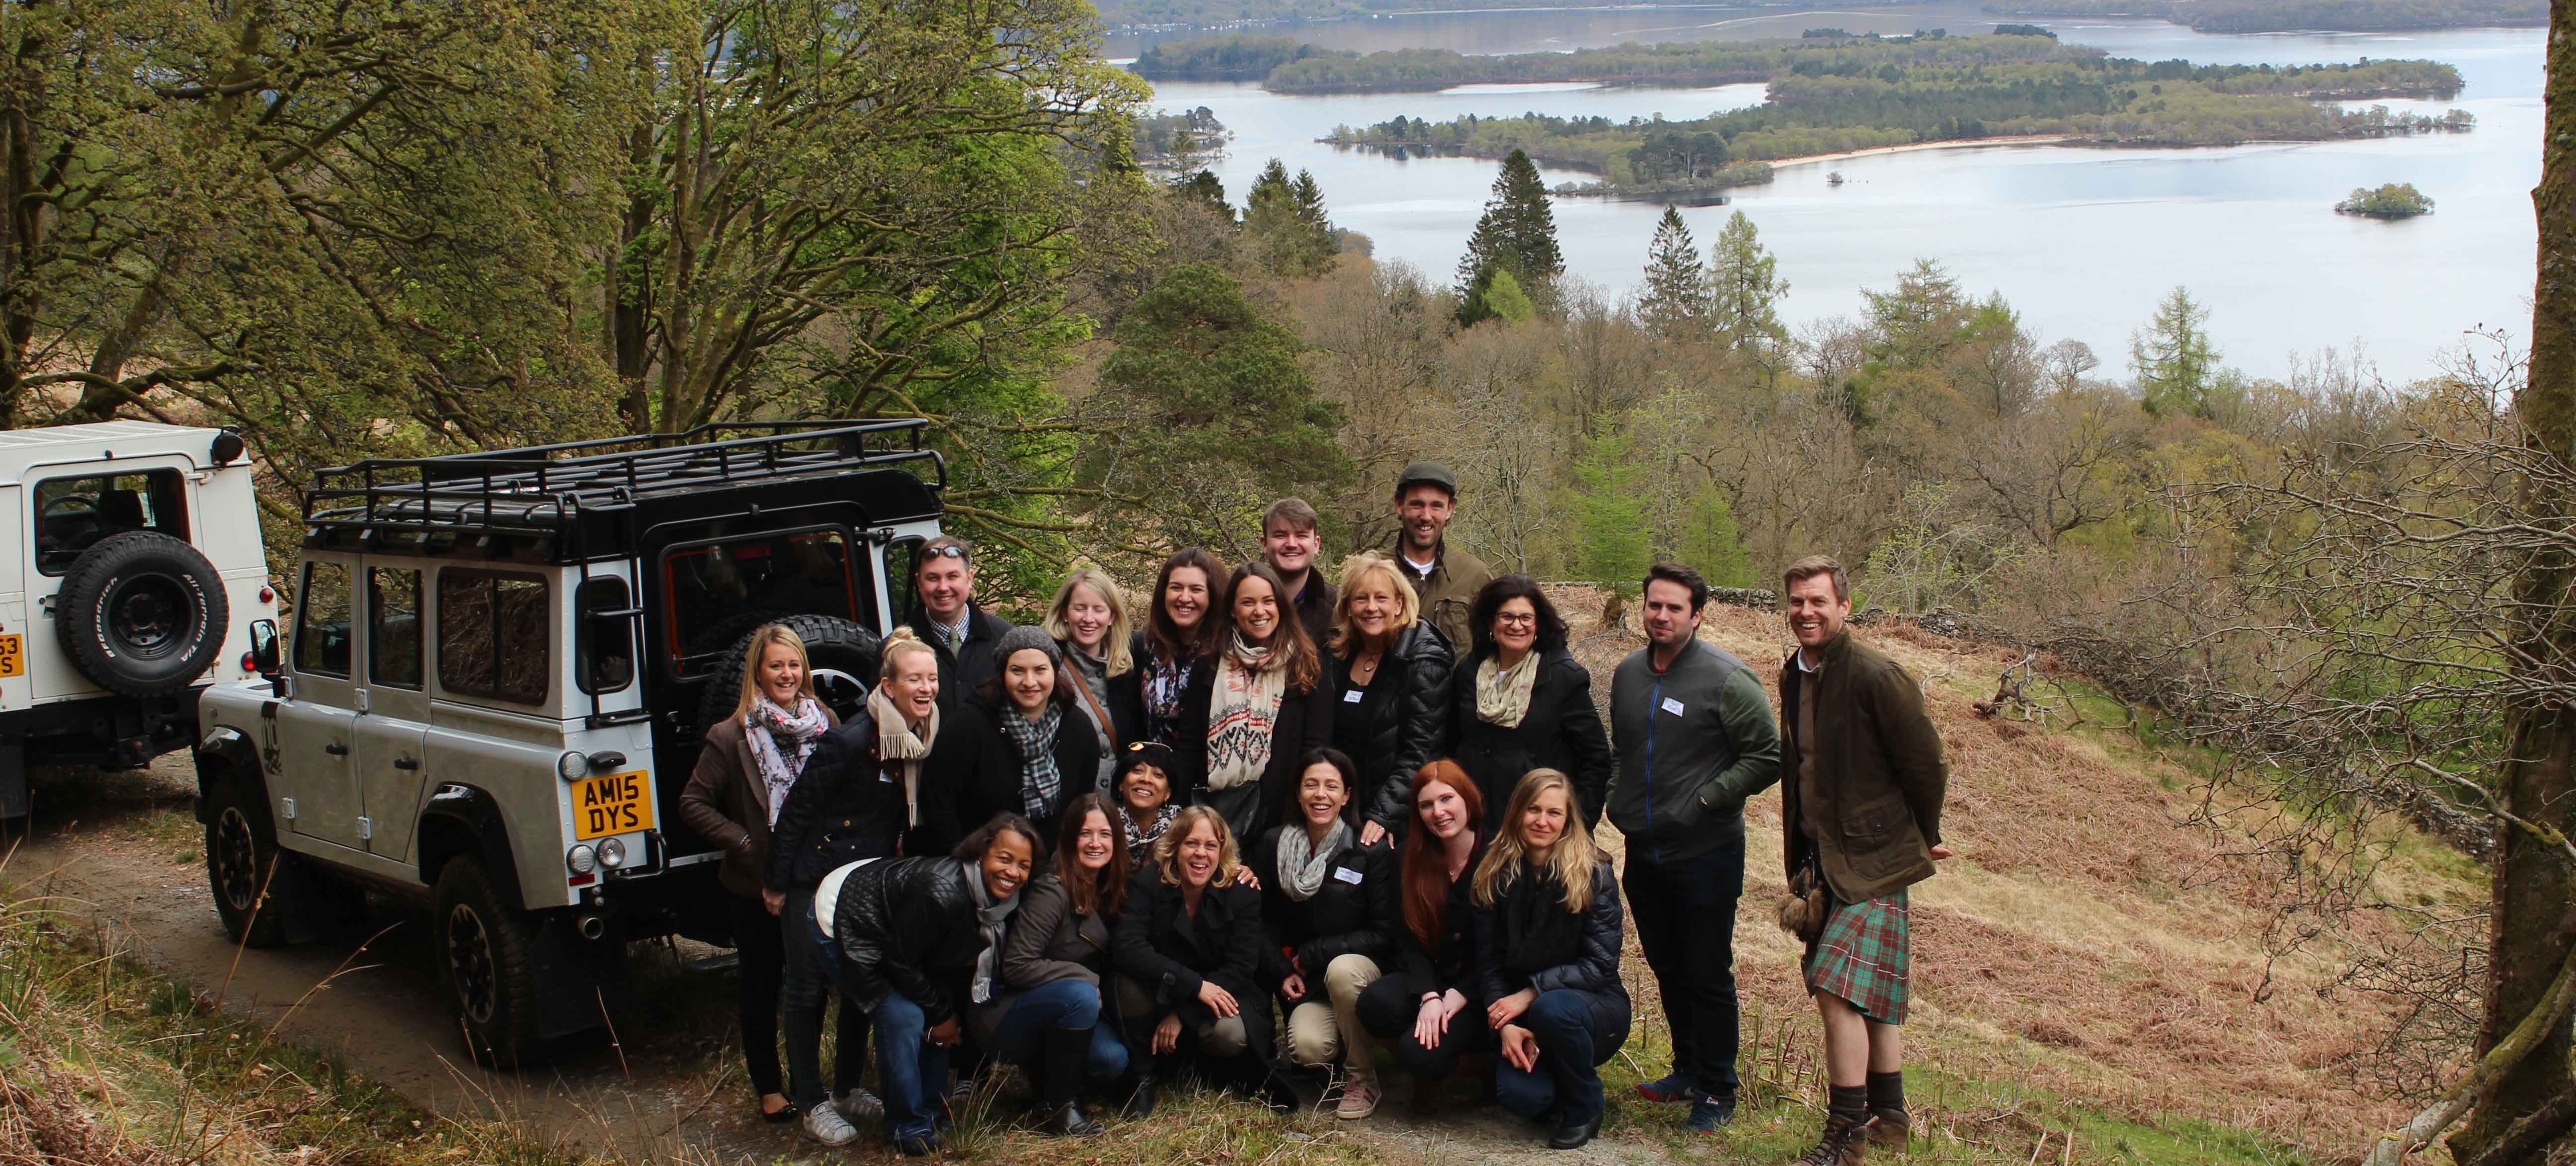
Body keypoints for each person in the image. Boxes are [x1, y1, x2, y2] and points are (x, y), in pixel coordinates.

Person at [1777, 555, 1951, 1165]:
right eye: (1798, 601)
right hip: (1822, 861)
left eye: (1818, 601)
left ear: (1845, 607)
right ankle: (1890, 1120)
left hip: (1877, 859)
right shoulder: (1792, 674)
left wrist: (1924, 833)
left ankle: (1844, 1134)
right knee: (1869, 994)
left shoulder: (1879, 675)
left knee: (1834, 988)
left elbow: (1926, 763)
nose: (1806, 612)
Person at [766, 629, 965, 1142]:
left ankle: (847, 1088)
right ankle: (812, 1101)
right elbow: (797, 811)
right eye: (914, 679)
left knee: (862, 984)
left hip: (869, 881)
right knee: (807, 993)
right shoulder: (852, 738)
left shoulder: (926, 732)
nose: (925, 688)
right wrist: (776, 882)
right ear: (888, 685)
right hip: (815, 877)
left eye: (932, 678)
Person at [1607, 563, 1782, 1133]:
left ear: (1697, 615)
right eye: (1654, 605)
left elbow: (1767, 756)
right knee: (1665, 964)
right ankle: (1686, 1069)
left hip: (1707, 852)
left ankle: (1717, 1087)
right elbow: (1623, 750)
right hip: (1645, 851)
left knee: (1706, 970)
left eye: (1674, 608)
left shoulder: (1728, 678)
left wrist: (1706, 801)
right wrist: (1617, 798)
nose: (1660, 616)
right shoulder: (1629, 673)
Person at [676, 624, 839, 1131]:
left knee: (811, 987)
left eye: (793, 665)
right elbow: (692, 804)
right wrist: (744, 843)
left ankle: (810, 1080)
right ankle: (769, 1087)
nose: (786, 674)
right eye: (776, 666)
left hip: (813, 879)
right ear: (758, 673)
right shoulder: (730, 736)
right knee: (762, 988)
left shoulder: (825, 721)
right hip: (754, 886)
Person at [809, 815, 1040, 1156]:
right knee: (903, 1017)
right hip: (845, 915)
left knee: (939, 1012)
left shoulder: (1000, 904)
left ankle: (932, 1110)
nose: (1013, 872)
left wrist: (942, 1013)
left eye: (1024, 865)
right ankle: (908, 1126)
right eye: (1004, 859)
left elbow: (931, 963)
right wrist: (939, 1014)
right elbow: (898, 960)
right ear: (981, 852)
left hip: (894, 929)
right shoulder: (943, 891)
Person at [1472, 769, 1630, 1151]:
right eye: (1533, 810)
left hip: (1592, 1007)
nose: (1543, 821)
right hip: (1523, 1013)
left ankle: (1586, 1106)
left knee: (1552, 1008)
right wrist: (1504, 1024)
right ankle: (1559, 1076)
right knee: (1524, 1098)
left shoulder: (1594, 871)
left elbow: (1600, 965)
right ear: (1517, 813)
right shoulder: (1494, 871)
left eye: (1554, 813)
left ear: (1567, 819)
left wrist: (1529, 994)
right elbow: (1488, 962)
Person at [1112, 806, 1297, 1117]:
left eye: (1211, 846)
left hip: (1222, 992)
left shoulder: (1242, 891)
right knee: (1125, 984)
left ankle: (1212, 1070)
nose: (1201, 854)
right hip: (1168, 987)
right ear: (1175, 847)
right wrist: (1192, 985)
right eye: (1192, 844)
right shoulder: (1150, 880)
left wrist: (1184, 1014)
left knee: (1229, 1035)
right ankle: (1143, 1076)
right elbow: (1127, 946)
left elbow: (1241, 967)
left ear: (1222, 851)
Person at [1248, 749, 1399, 1120]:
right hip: (1310, 982)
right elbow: (1259, 922)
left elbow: (1385, 933)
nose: (1321, 795)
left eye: (1332, 786)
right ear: (1298, 794)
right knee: (1306, 1048)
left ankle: (1362, 1078)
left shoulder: (1369, 849)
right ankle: (1343, 1048)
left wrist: (1316, 953)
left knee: (1343, 970)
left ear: (1346, 795)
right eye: (1311, 785)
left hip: (1359, 975)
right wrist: (1283, 970)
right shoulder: (1273, 844)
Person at [974, 794, 1132, 1137]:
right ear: (1069, 837)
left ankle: (1046, 1087)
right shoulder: (1053, 889)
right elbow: (1016, 965)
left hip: (1068, 1010)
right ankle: (1062, 1109)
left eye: (1105, 834)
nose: (1095, 843)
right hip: (1011, 1013)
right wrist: (1085, 978)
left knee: (1111, 1060)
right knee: (1081, 994)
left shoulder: (1110, 884)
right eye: (1085, 834)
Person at [1355, 760, 1492, 1108]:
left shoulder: (1499, 856)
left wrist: (1461, 994)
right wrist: (1429, 995)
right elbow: (1405, 938)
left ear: (1468, 800)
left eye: (1447, 799)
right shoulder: (1409, 857)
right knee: (1375, 1004)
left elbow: (1505, 950)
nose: (1439, 812)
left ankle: (1483, 1062)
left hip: (1483, 987)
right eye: (1427, 805)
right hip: (1432, 976)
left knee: (1421, 1056)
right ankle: (1424, 1037)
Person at [1449, 577, 1612, 839]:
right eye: (1507, 617)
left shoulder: (1563, 677)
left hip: (1538, 830)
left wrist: (1574, 827)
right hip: (1476, 825)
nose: (1517, 625)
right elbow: (1451, 744)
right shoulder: (1470, 672)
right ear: (1491, 622)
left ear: (1539, 624)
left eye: (1526, 618)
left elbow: (1595, 760)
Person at [1182, 561, 1333, 842]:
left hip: (1281, 817)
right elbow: (1190, 745)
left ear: (1281, 607)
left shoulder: (1307, 666)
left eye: (1268, 601)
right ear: (1232, 609)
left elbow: (1316, 747)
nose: (1259, 611)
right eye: (1248, 603)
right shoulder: (1209, 666)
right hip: (1214, 817)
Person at [931, 627, 1097, 855]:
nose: (1030, 682)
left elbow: (1082, 805)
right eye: (1017, 671)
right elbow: (939, 803)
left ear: (1055, 672)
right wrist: (960, 864)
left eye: (1040, 670)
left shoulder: (1078, 727)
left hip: (1053, 869)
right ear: (1002, 674)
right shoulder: (968, 725)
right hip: (980, 865)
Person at [1327, 552, 1455, 846]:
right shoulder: (1338, 656)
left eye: (1381, 598)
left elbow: (1422, 751)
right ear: (1348, 607)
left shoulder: (1423, 662)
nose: (1371, 608)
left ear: (1399, 604)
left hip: (1396, 819)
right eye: (1361, 599)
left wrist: (1383, 814)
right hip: (1340, 808)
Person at [1119, 548, 1227, 754]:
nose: (1184, 598)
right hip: (1153, 776)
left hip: (1207, 780)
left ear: (1213, 595)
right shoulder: (1142, 647)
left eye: (1196, 590)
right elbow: (1131, 722)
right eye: (1176, 588)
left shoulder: (1225, 653)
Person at [1045, 566, 1136, 791]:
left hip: (1116, 810)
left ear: (1112, 616)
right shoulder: (1047, 667)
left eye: (1098, 610)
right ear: (1065, 613)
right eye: (1080, 608)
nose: (1089, 619)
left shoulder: (1126, 672)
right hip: (1068, 805)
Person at [903, 535, 1014, 718]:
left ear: (970, 578)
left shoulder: (1005, 639)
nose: (943, 587)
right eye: (933, 578)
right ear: (919, 583)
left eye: (952, 576)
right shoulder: (897, 649)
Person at [1388, 462, 1492, 652]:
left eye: (1436, 506)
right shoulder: (1372, 570)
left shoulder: (1474, 575)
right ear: (1399, 505)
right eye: (1417, 505)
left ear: (1450, 510)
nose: (1426, 516)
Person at [1262, 497, 1337, 645]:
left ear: (1316, 544)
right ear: (1264, 544)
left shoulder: (1340, 607)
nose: (1291, 544)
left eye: (1301, 535)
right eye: (1280, 535)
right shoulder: (1243, 604)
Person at [1113, 741, 1182, 858]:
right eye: (1138, 771)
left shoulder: (1182, 830)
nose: (1146, 779)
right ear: (1121, 785)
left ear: (1167, 794)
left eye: (1158, 775)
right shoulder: (1104, 824)